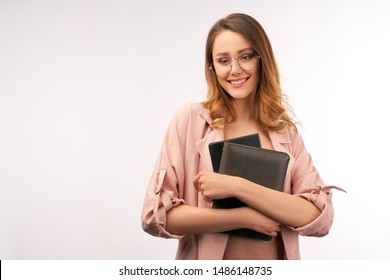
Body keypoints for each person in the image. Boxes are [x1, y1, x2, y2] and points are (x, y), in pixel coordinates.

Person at [141, 13, 344, 260]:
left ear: (262, 60)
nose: (235, 70)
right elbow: (157, 216)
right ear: (212, 68)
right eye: (223, 60)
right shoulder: (191, 119)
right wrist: (242, 218)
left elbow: (317, 218)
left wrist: (238, 186)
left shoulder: (285, 133)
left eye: (246, 57)